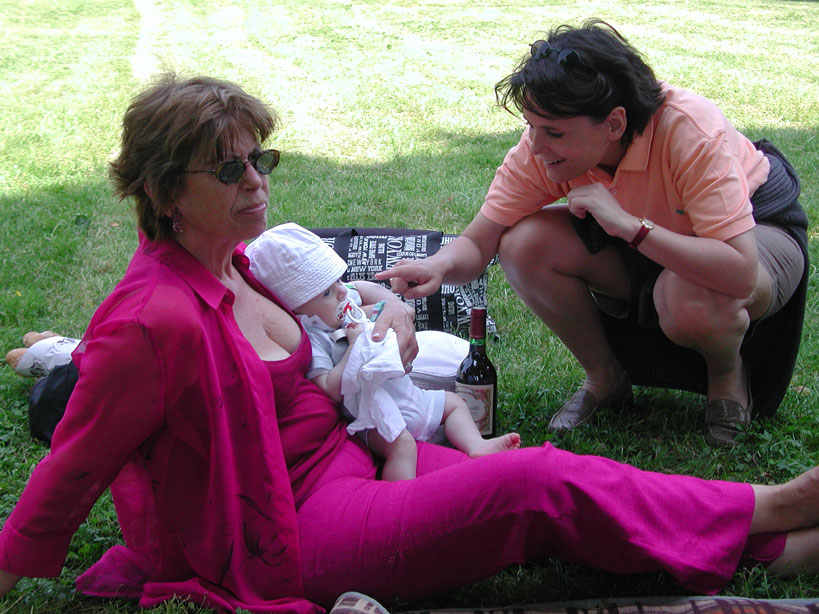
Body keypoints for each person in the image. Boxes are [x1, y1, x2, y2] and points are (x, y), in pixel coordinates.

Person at [2, 74, 819, 614]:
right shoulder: (152, 319)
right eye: (228, 171)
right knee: (531, 485)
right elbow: (73, 467)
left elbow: (337, 314)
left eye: (259, 159)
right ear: (162, 192)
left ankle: (776, 546)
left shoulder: (237, 264)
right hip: (288, 531)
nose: (256, 182)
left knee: (555, 483)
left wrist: (385, 310)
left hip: (353, 461)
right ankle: (771, 507)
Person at [378, 19, 807, 446]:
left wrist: (629, 226)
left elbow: (739, 273)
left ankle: (726, 375)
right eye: (530, 125)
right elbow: (478, 241)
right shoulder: (542, 149)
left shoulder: (689, 130)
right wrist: (437, 266)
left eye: (554, 132)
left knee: (686, 294)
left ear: (615, 124)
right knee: (524, 244)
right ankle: (606, 378)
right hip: (648, 249)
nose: (536, 146)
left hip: (752, 238)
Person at [245, 222, 520, 481]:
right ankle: (401, 495)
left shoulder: (344, 301)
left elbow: (363, 288)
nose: (341, 292)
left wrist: (392, 305)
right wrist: (353, 349)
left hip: (409, 394)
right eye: (326, 292)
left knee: (454, 404)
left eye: (338, 280)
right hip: (373, 414)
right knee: (402, 447)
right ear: (298, 312)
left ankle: (476, 446)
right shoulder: (318, 340)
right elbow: (329, 388)